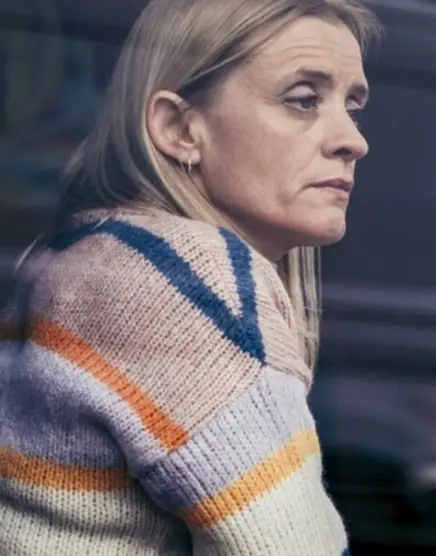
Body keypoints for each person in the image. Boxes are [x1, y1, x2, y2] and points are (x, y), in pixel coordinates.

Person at [0, 0, 379, 554]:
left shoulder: (91, 254)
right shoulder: (183, 279)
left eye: (352, 106)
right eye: (303, 100)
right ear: (179, 128)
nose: (353, 141)